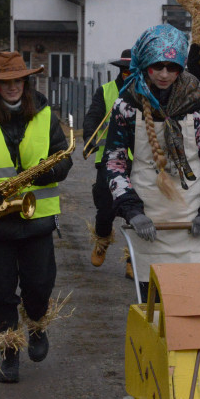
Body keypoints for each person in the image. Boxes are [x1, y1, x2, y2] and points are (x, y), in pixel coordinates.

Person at [102, 24, 200, 300]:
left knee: (195, 298)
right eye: (156, 66)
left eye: (171, 67)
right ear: (144, 63)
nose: (164, 74)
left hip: (193, 212)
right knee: (154, 301)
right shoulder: (127, 104)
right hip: (148, 213)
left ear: (181, 66)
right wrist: (132, 210)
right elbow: (114, 161)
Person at [0, 51, 73, 383]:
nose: (13, 86)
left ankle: (37, 326)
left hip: (38, 219)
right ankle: (9, 351)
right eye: (5, 81)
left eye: (17, 80)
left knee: (38, 287)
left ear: (25, 81)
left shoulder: (45, 114)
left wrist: (47, 173)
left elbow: (63, 159)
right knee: (2, 293)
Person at [84, 49, 133, 277]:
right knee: (105, 210)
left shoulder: (148, 91)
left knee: (138, 211)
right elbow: (93, 118)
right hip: (106, 160)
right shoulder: (105, 91)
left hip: (138, 161)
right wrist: (89, 138)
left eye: (131, 71)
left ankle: (134, 258)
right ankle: (102, 240)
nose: (127, 74)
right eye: (124, 70)